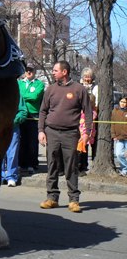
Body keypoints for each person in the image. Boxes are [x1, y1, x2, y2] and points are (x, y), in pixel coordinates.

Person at [38, 61, 92, 213]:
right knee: (52, 165)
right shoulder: (50, 89)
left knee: (71, 167)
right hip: (52, 132)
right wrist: (41, 131)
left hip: (71, 133)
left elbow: (88, 112)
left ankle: (74, 200)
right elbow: (43, 111)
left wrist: (87, 133)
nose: (53, 72)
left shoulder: (79, 89)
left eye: (56, 70)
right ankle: (52, 198)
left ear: (64, 72)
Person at [18, 65, 45, 174]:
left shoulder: (39, 84)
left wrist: (23, 95)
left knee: (33, 141)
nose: (29, 72)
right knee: (21, 140)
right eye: (27, 70)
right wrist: (27, 95)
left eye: (31, 70)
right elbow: (17, 95)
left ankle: (32, 164)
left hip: (34, 115)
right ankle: (21, 163)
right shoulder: (19, 83)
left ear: (34, 71)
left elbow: (35, 97)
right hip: (20, 113)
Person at [1, 91, 28, 187]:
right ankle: (0, 175)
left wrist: (13, 121)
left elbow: (23, 111)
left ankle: (11, 176)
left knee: (12, 153)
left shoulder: (16, 94)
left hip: (13, 127)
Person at [79, 67, 99, 171]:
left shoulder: (96, 88)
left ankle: (95, 162)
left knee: (93, 141)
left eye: (89, 77)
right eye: (86, 76)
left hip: (93, 115)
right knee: (83, 141)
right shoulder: (79, 86)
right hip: (81, 117)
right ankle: (82, 164)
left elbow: (97, 103)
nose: (87, 79)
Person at [110, 97, 127, 177]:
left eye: (124, 102)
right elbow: (112, 124)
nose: (122, 103)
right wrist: (113, 135)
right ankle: (125, 168)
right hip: (119, 137)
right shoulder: (115, 111)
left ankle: (125, 171)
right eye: (121, 101)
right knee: (119, 154)